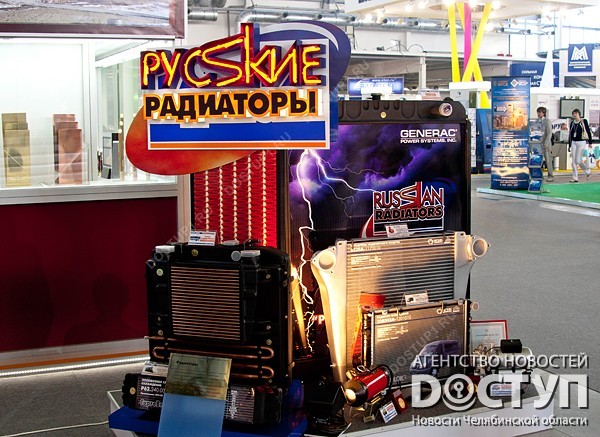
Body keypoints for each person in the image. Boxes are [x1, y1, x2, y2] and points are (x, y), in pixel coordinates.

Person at [568, 108, 593, 182]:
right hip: (574, 142)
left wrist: (590, 142)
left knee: (578, 160)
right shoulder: (572, 123)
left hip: (581, 142)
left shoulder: (583, 121)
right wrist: (569, 145)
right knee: (574, 161)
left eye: (576, 114)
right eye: (573, 114)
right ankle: (575, 177)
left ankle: (588, 171)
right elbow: (570, 134)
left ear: (579, 114)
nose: (574, 115)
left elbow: (588, 131)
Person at [536, 106, 554, 182]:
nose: (538, 114)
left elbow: (549, 133)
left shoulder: (547, 121)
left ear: (543, 113)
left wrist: (546, 143)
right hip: (538, 143)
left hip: (546, 144)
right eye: (538, 112)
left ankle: (550, 176)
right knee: (538, 160)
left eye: (539, 112)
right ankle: (539, 175)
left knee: (548, 160)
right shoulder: (536, 121)